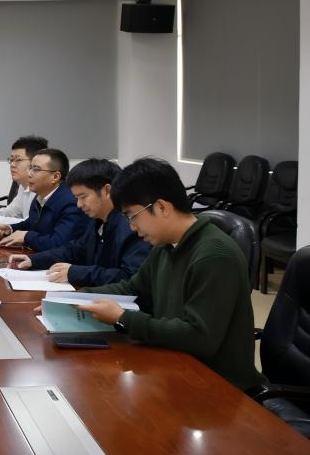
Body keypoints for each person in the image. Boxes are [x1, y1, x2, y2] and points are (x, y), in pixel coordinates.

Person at [76, 157, 264, 391]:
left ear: (162, 207)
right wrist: (79, 298)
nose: (132, 227)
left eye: (132, 216)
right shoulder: (166, 245)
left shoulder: (214, 255)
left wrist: (123, 318)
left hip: (218, 385)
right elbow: (133, 289)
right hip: (175, 363)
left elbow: (199, 336)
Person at [6, 159, 150, 286]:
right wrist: (33, 260)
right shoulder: (97, 221)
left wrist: (76, 272)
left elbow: (129, 277)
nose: (79, 205)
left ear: (107, 191)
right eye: (77, 198)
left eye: (83, 197)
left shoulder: (131, 226)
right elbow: (74, 250)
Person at [0, 148, 89, 251]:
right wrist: (10, 229)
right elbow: (32, 223)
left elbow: (58, 243)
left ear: (55, 177)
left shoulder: (71, 203)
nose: (29, 174)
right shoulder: (40, 195)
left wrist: (26, 236)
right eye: (30, 168)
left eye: (36, 169)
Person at [0, 135, 46, 228]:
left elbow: (32, 224)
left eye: (18, 160)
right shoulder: (24, 185)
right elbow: (13, 211)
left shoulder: (44, 189)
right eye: (11, 159)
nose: (12, 164)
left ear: (36, 162)